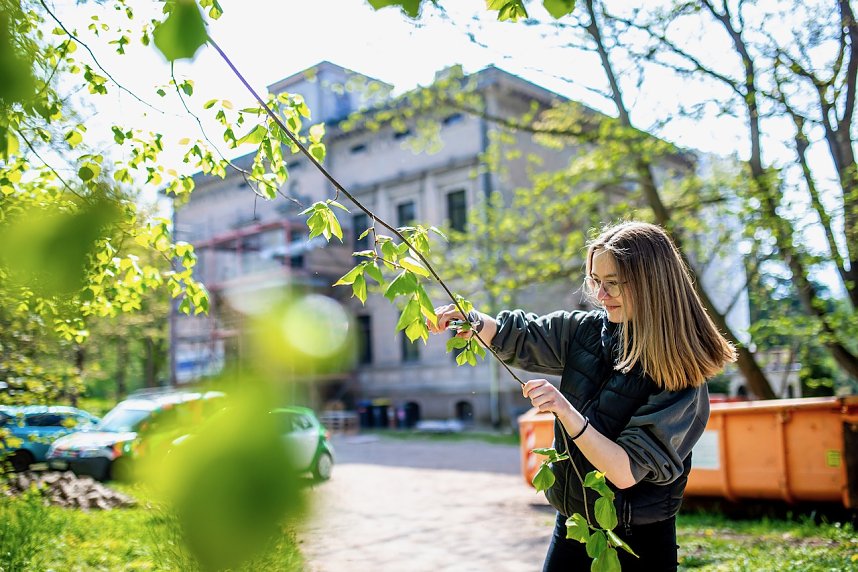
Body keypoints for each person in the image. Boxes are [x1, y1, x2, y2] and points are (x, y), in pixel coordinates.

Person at [429, 221, 736, 571]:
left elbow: (624, 470)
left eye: (613, 284)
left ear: (653, 285)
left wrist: (563, 408)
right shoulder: (586, 331)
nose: (601, 295)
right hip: (574, 524)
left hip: (640, 541)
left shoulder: (682, 374)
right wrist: (470, 319)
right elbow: (523, 335)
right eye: (596, 281)